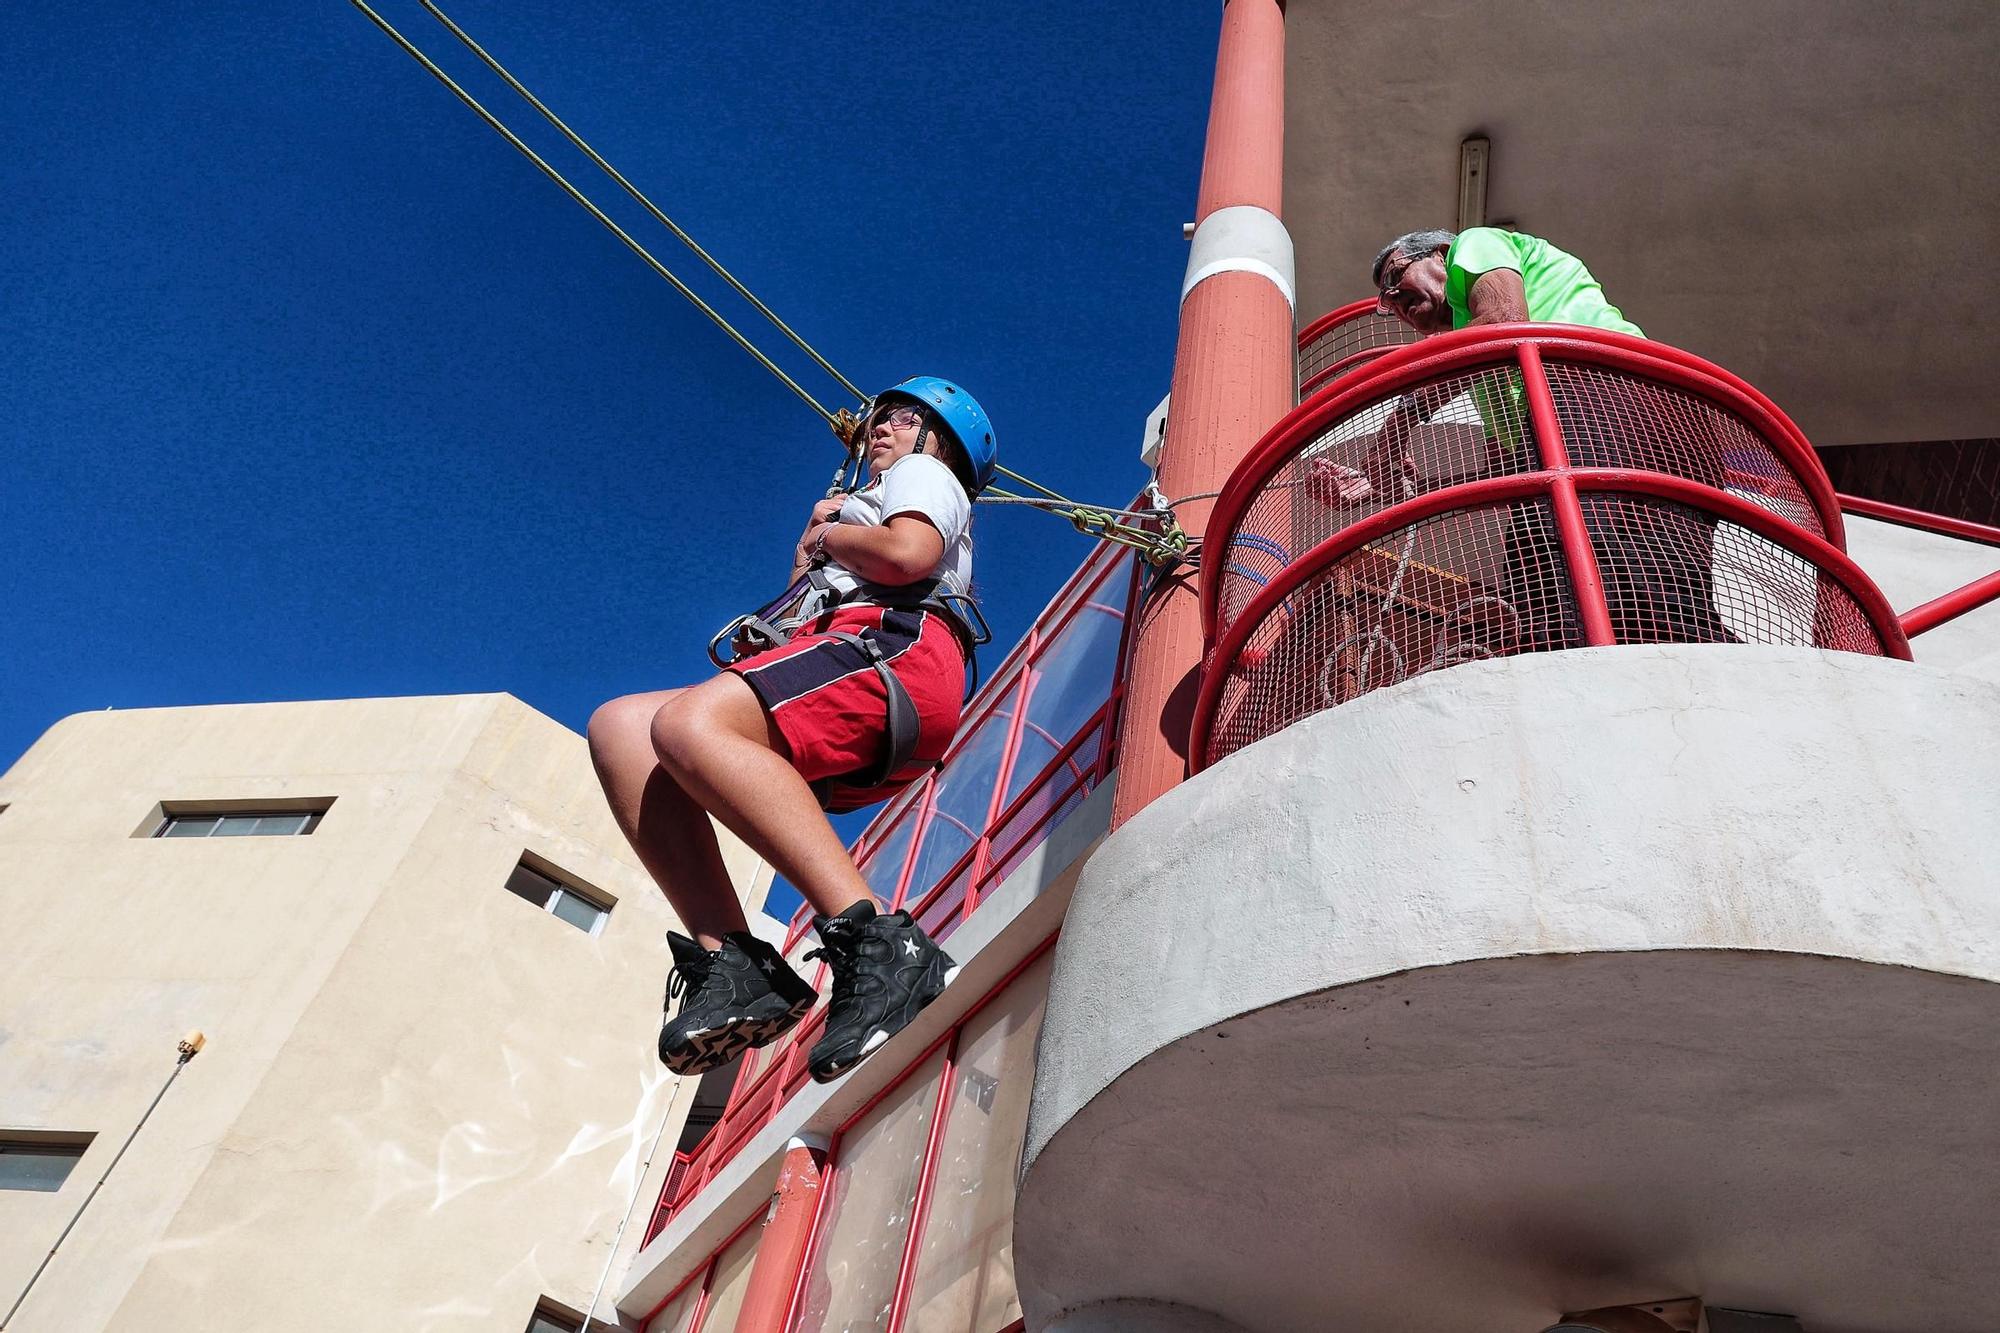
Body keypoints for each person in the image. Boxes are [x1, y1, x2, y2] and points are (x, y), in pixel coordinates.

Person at [586, 376, 997, 1083]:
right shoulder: (858, 507)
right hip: (844, 658)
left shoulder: (923, 476)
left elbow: (906, 557)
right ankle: (735, 961)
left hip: (897, 648)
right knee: (624, 727)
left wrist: (832, 532)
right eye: (881, 418)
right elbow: (786, 631)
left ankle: (881, 943)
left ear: (940, 442)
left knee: (689, 721)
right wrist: (810, 554)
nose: (882, 427)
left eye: (903, 418)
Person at [1330, 227, 1735, 649]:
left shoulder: (1476, 244)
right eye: (1385, 302)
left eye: (1396, 278)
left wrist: (1393, 433)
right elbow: (1508, 473)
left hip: (1608, 391)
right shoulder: (1491, 376)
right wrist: (1397, 489)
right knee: (1646, 596)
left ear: (1441, 252)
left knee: (1556, 577)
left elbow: (1505, 321)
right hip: (1651, 424)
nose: (1393, 301)